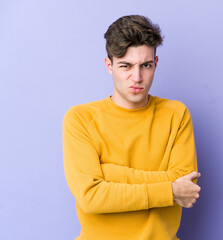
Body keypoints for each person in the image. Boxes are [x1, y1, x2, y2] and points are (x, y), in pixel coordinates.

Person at [62, 15, 201, 240]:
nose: (136, 77)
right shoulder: (80, 118)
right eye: (125, 66)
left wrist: (108, 174)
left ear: (155, 64)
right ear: (110, 65)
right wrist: (169, 190)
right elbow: (91, 197)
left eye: (145, 65)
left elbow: (186, 186)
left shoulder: (176, 114)